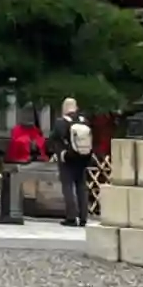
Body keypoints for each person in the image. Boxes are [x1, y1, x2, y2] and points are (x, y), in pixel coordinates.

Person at [45, 96, 95, 227]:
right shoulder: (84, 121)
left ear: (64, 108)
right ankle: (83, 217)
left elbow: (52, 139)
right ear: (76, 107)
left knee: (68, 187)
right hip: (83, 157)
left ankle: (71, 217)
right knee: (81, 186)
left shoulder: (61, 122)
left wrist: (55, 151)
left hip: (67, 158)